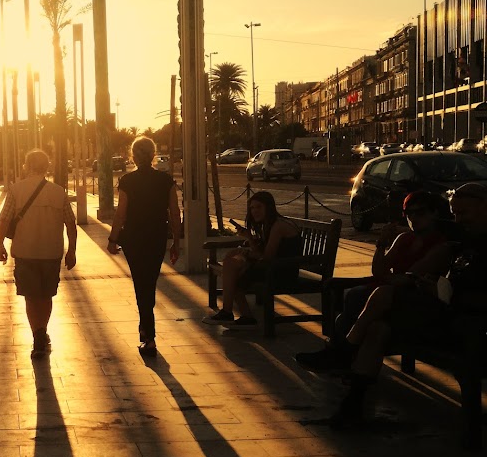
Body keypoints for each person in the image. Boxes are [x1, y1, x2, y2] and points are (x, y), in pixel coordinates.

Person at [326, 182, 487, 428]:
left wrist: (442, 289)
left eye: (464, 213)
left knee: (380, 297)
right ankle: (352, 405)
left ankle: (344, 352)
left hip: (464, 324)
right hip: (442, 313)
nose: (458, 219)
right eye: (455, 213)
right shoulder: (464, 239)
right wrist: (437, 285)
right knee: (377, 327)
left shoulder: (462, 242)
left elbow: (469, 291)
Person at [295, 190, 448, 373]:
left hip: (412, 298)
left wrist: (390, 278)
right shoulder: (404, 238)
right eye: (409, 214)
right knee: (354, 306)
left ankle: (338, 355)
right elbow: (378, 271)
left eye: (420, 212)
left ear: (434, 213)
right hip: (389, 294)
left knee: (358, 296)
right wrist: (381, 243)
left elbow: (410, 277)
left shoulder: (440, 245)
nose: (414, 218)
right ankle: (339, 357)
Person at [0, 149, 77, 359]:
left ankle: (37, 335)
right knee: (46, 295)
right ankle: (42, 332)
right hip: (51, 252)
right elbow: (71, 224)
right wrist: (72, 251)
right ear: (46, 166)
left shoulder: (16, 190)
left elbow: (4, 220)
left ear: (27, 165)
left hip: (25, 252)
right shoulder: (59, 192)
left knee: (31, 297)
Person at [106, 136, 181, 358]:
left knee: (142, 284)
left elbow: (121, 214)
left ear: (133, 155)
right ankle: (147, 332)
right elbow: (175, 213)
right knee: (149, 282)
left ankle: (148, 336)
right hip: (157, 237)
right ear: (153, 154)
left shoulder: (128, 181)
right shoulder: (165, 180)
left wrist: (112, 239)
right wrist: (177, 241)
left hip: (133, 238)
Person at [202, 190, 302, 328]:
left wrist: (248, 252)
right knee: (232, 261)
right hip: (274, 266)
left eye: (259, 207)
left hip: (283, 271)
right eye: (252, 208)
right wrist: (249, 240)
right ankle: (241, 316)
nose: (255, 211)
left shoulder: (278, 226)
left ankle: (229, 313)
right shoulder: (268, 224)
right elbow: (263, 253)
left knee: (233, 269)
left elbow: (267, 257)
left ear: (269, 207)